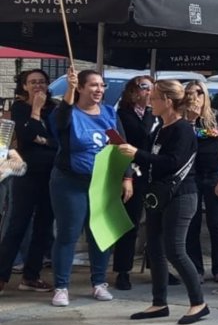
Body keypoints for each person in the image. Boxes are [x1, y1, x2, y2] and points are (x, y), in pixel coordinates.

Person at [120, 80, 207, 324]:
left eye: (155, 98)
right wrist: (131, 156)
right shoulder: (160, 128)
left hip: (180, 194)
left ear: (168, 101)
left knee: (175, 250)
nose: (150, 102)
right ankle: (159, 302)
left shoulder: (183, 129)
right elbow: (148, 157)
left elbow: (172, 162)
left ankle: (198, 303)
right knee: (155, 249)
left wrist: (137, 153)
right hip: (158, 194)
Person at [48, 69, 119, 307]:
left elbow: (121, 145)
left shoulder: (110, 113)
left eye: (101, 85)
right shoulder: (68, 113)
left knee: (100, 234)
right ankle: (61, 286)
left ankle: (99, 282)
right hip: (70, 182)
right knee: (68, 233)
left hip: (102, 182)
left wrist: (127, 177)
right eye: (93, 85)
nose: (99, 89)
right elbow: (60, 121)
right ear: (80, 88)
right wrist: (68, 90)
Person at [0, 70, 58, 293]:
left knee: (44, 226)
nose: (38, 86)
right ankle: (2, 275)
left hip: (50, 173)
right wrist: (35, 110)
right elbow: (27, 135)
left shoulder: (54, 109)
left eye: (42, 82)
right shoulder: (20, 108)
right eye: (33, 82)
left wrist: (43, 140)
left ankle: (31, 276)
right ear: (24, 86)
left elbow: (57, 141)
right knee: (18, 223)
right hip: (27, 173)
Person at [113, 76, 161, 291]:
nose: (149, 92)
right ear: (133, 92)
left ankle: (157, 266)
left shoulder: (159, 114)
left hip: (156, 173)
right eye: (144, 88)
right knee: (130, 223)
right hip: (134, 172)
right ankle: (123, 270)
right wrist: (150, 111)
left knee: (156, 224)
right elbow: (141, 134)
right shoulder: (124, 115)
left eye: (152, 88)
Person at [183, 81, 218, 282]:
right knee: (192, 222)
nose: (195, 97)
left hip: (213, 172)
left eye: (199, 92)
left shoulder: (217, 117)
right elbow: (182, 143)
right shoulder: (182, 118)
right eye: (190, 93)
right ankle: (196, 268)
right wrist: (191, 121)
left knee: (215, 221)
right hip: (191, 173)